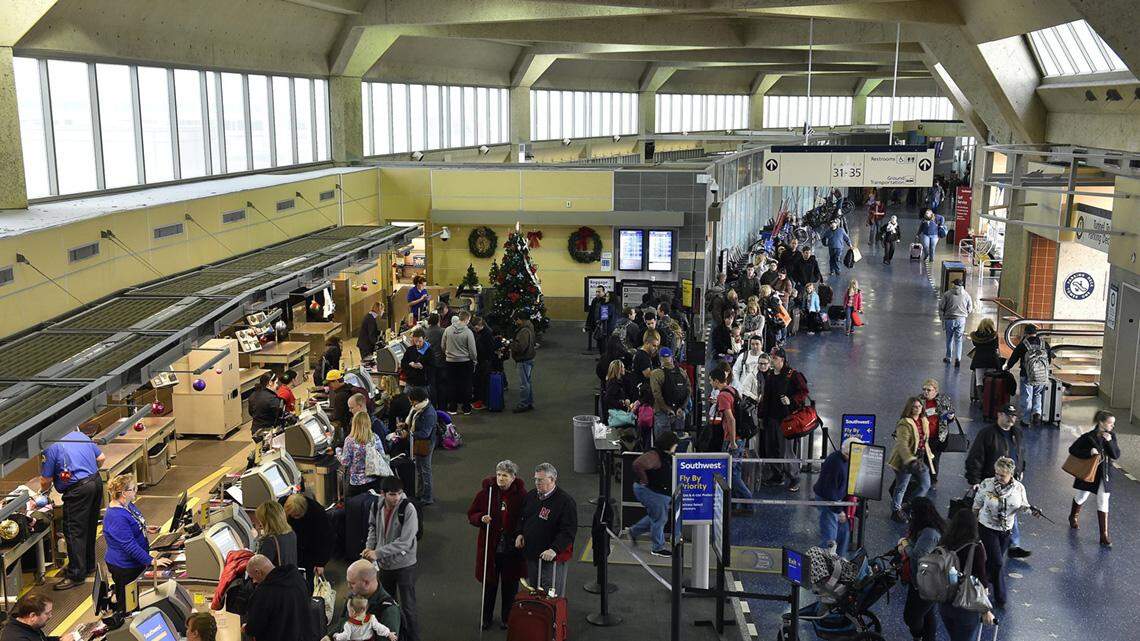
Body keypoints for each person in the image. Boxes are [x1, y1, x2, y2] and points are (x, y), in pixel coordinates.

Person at [467, 460, 527, 630]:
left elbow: (526, 518)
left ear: (513, 477)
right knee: (489, 586)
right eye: (499, 474)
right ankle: (486, 618)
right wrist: (480, 518)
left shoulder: (522, 496)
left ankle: (508, 618)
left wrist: (521, 533)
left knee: (510, 587)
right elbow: (472, 513)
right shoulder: (486, 493)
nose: (501, 478)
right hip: (490, 548)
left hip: (511, 549)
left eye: (505, 476)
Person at [40, 429, 105, 590]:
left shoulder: (51, 446)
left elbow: (45, 480)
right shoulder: (79, 435)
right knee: (89, 527)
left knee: (74, 531)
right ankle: (88, 565)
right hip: (96, 482)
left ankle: (76, 574)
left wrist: (43, 492)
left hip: (78, 490)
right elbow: (101, 458)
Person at [964, 403, 1030, 559]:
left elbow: (1021, 453)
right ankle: (978, 543)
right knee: (987, 513)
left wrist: (1021, 470)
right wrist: (974, 479)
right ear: (999, 415)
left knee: (1010, 511)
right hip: (991, 482)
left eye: (1014, 416)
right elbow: (975, 457)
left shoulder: (1017, 433)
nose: (1012, 418)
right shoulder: (987, 434)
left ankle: (1013, 544)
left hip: (1010, 482)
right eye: (1008, 415)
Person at [364, 477, 420, 641]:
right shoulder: (376, 506)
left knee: (408, 607)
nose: (396, 498)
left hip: (405, 566)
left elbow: (404, 542)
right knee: (387, 606)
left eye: (399, 494)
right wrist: (369, 547)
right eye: (392, 494)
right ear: (383, 494)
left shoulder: (408, 509)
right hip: (385, 566)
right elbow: (372, 528)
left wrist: (377, 553)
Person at [972, 456, 1033, 607]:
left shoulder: (1019, 488)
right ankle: (1001, 597)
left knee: (992, 562)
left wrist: (1032, 511)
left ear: (1011, 474)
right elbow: (976, 505)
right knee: (998, 562)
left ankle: (978, 581)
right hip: (987, 528)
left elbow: (1024, 506)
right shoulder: (987, 484)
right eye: (997, 474)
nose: (998, 477)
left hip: (1006, 530)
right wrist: (972, 525)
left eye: (1002, 475)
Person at [103, 474, 169, 611]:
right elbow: (129, 545)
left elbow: (133, 522)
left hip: (135, 562)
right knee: (128, 604)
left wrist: (144, 528)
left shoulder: (128, 505)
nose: (136, 491)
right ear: (123, 493)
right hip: (125, 567)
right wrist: (152, 561)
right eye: (133, 489)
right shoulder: (116, 516)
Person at [516, 463, 577, 597]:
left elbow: (568, 531)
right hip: (532, 555)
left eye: (540, 480)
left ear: (552, 480)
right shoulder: (531, 496)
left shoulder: (565, 502)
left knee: (551, 595)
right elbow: (522, 517)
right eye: (536, 479)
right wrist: (520, 533)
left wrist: (554, 549)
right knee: (533, 592)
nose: (537, 483)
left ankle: (554, 618)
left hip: (551, 559)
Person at [937, 510, 995, 641]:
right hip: (966, 605)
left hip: (945, 603)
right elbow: (981, 580)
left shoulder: (943, 543)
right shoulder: (976, 547)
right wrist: (986, 610)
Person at [1067, 409, 1120, 547]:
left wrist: (1109, 442)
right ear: (1101, 423)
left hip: (1105, 474)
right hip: (1089, 473)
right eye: (1110, 423)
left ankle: (1104, 535)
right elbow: (1072, 450)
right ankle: (1073, 516)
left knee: (1103, 500)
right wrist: (1089, 452)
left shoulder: (1111, 436)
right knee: (1081, 497)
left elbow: (1115, 455)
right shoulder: (1088, 437)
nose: (1112, 426)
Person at [760, 348, 810, 492]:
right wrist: (763, 415)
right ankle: (777, 475)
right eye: (771, 358)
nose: (772, 361)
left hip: (786, 419)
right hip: (771, 418)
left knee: (786, 451)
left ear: (782, 359)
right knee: (771, 448)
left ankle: (794, 477)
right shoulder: (770, 374)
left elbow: (804, 392)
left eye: (774, 358)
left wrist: (792, 400)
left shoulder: (792, 375)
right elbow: (766, 397)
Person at [897, 497, 945, 641]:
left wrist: (905, 545)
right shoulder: (927, 528)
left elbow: (918, 557)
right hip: (924, 581)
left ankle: (918, 636)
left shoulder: (930, 534)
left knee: (911, 617)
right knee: (927, 614)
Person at [709, 365, 754, 513]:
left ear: (716, 381)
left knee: (731, 473)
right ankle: (735, 503)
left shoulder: (722, 395)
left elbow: (731, 419)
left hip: (732, 439)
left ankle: (748, 502)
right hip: (740, 437)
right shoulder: (732, 390)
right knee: (736, 471)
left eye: (711, 381)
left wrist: (733, 441)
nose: (710, 383)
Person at [629, 431, 679, 556]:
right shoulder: (655, 455)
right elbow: (638, 464)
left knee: (656, 517)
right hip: (652, 492)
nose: (676, 447)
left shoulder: (663, 455)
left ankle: (633, 532)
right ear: (669, 444)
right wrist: (644, 480)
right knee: (660, 519)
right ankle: (657, 548)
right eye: (675, 445)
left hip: (657, 492)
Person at [243, 554, 313, 641]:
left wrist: (246, 628)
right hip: (303, 634)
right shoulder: (297, 577)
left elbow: (255, 626)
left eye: (253, 577)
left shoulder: (263, 593)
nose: (254, 581)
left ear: (258, 572)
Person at [888, 397, 934, 522]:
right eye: (915, 406)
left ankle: (908, 506)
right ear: (910, 408)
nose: (918, 409)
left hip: (919, 458)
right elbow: (902, 444)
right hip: (905, 460)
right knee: (902, 486)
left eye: (920, 406)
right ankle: (896, 510)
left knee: (926, 484)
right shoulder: (905, 423)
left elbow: (925, 439)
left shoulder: (923, 420)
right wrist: (909, 459)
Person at [814, 438, 859, 558]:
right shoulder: (836, 464)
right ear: (847, 453)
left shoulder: (844, 459)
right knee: (830, 538)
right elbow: (829, 492)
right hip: (828, 501)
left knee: (844, 531)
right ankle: (824, 562)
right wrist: (839, 511)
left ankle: (840, 559)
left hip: (836, 500)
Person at [1002, 324, 1054, 426]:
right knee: (1037, 394)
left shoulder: (1023, 344)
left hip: (1026, 375)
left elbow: (1014, 358)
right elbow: (1048, 360)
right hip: (1042, 375)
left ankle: (1025, 420)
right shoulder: (1044, 344)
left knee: (1027, 397)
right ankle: (1037, 413)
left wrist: (1008, 367)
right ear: (1036, 333)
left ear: (1025, 333)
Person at [338, 560, 401, 639]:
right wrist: (329, 636)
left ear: (366, 583)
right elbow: (343, 621)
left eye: (352, 583)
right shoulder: (354, 594)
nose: (348, 586)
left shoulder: (389, 611)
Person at [283, 492, 331, 593]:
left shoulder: (317, 512)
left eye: (298, 515)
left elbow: (326, 539)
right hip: (294, 549)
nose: (295, 518)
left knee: (309, 582)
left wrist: (320, 563)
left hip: (311, 551)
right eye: (292, 515)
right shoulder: (283, 504)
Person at [398, 387, 438, 505]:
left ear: (418, 400)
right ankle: (420, 494)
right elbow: (412, 421)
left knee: (425, 470)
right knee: (420, 470)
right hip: (419, 442)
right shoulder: (418, 408)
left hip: (426, 443)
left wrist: (409, 434)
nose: (411, 403)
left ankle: (427, 497)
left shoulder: (429, 413)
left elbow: (425, 433)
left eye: (412, 401)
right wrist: (405, 425)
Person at [339, 413, 385, 498]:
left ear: (354, 424)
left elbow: (345, 462)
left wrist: (338, 452)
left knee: (355, 508)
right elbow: (382, 456)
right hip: (373, 480)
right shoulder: (375, 438)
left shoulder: (349, 440)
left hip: (356, 483)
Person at [441, 311, 478, 415]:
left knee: (451, 384)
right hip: (465, 362)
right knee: (466, 385)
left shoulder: (448, 330)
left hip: (450, 362)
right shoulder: (468, 332)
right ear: (466, 319)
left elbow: (442, 345)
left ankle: (453, 408)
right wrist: (474, 360)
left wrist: (448, 354)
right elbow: (472, 349)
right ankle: (466, 408)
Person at [648, 348, 688, 438]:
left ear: (660, 358)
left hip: (662, 414)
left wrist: (667, 409)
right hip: (679, 413)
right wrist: (681, 408)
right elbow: (688, 391)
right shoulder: (682, 372)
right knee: (678, 444)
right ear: (671, 357)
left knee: (662, 446)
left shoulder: (656, 374)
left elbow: (657, 394)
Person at [1, 594, 75, 641]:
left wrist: (60, 639)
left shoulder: (29, 626)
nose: (50, 616)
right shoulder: (16, 638)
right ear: (32, 616)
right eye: (47, 613)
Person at [254, 500, 298, 568]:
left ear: (267, 521)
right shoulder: (291, 533)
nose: (260, 524)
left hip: (277, 577)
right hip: (291, 576)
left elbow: (260, 568)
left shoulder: (270, 541)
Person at [939, 280, 973, 367]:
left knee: (949, 339)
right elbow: (970, 309)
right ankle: (958, 358)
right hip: (961, 320)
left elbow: (941, 307)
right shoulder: (966, 295)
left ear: (954, 284)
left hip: (949, 320)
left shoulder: (947, 294)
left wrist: (942, 318)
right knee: (959, 340)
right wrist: (964, 314)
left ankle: (948, 357)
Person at [333, 596, 398, 641]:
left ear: (353, 611)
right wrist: (388, 634)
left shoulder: (349, 624)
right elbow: (379, 627)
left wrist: (337, 636)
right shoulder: (371, 618)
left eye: (349, 610)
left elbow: (345, 636)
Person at [508, 310, 536, 413]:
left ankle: (524, 404)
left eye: (516, 320)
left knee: (524, 383)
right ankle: (529, 402)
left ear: (520, 319)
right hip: (529, 358)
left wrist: (511, 344)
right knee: (528, 382)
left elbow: (520, 347)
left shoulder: (524, 331)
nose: (515, 322)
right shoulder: (530, 326)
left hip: (524, 359)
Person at [967, 318, 1004, 397]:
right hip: (992, 360)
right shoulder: (994, 335)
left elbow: (975, 344)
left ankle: (981, 400)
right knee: (990, 379)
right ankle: (989, 398)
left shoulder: (975, 336)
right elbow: (996, 347)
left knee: (979, 381)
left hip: (979, 360)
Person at [470, 316, 498, 410]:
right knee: (477, 381)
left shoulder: (487, 334)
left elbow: (489, 350)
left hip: (485, 362)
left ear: (481, 325)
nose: (475, 329)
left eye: (476, 327)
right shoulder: (480, 333)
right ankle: (477, 399)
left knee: (483, 383)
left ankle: (482, 402)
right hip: (480, 361)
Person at [248, 373, 285, 439]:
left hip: (255, 430)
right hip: (268, 431)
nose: (277, 386)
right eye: (276, 383)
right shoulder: (272, 398)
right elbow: (279, 415)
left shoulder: (253, 395)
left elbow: (251, 412)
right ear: (270, 383)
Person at [399, 327, 434, 398]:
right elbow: (403, 363)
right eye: (415, 341)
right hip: (410, 383)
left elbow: (433, 367)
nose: (417, 344)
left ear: (424, 339)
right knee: (406, 401)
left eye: (420, 341)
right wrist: (410, 367)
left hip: (423, 384)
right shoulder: (410, 350)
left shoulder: (429, 351)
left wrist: (422, 367)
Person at [631, 329, 661, 398]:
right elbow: (648, 375)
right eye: (654, 345)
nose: (656, 348)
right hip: (640, 393)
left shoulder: (641, 353)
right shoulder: (643, 356)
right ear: (647, 342)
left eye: (657, 346)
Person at [585, 287, 615, 354]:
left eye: (599, 292)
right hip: (600, 325)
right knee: (601, 343)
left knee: (604, 343)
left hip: (605, 327)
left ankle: (604, 357)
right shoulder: (595, 300)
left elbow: (604, 317)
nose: (597, 293)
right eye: (596, 292)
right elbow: (591, 313)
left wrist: (600, 321)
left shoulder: (607, 305)